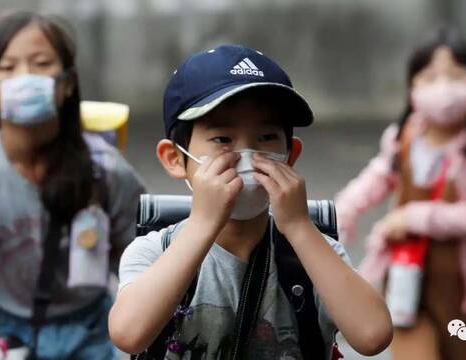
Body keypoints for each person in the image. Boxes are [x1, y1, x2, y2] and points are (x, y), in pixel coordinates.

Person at [108, 44, 393, 359]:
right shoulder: (153, 252)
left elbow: (373, 336)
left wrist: (298, 225)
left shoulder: (314, 255)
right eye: (223, 140)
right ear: (175, 158)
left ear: (291, 155)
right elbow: (128, 334)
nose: (248, 157)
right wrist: (203, 222)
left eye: (267, 138)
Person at [0, 11, 145, 359]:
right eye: (7, 68)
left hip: (89, 339)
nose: (25, 78)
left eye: (40, 63)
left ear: (67, 84)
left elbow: (140, 272)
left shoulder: (107, 173)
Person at [335, 29, 466, 360]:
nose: (443, 87)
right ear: (413, 88)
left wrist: (410, 217)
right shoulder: (403, 136)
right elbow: (372, 181)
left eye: (455, 75)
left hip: (460, 290)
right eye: (429, 77)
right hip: (404, 279)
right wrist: (339, 215)